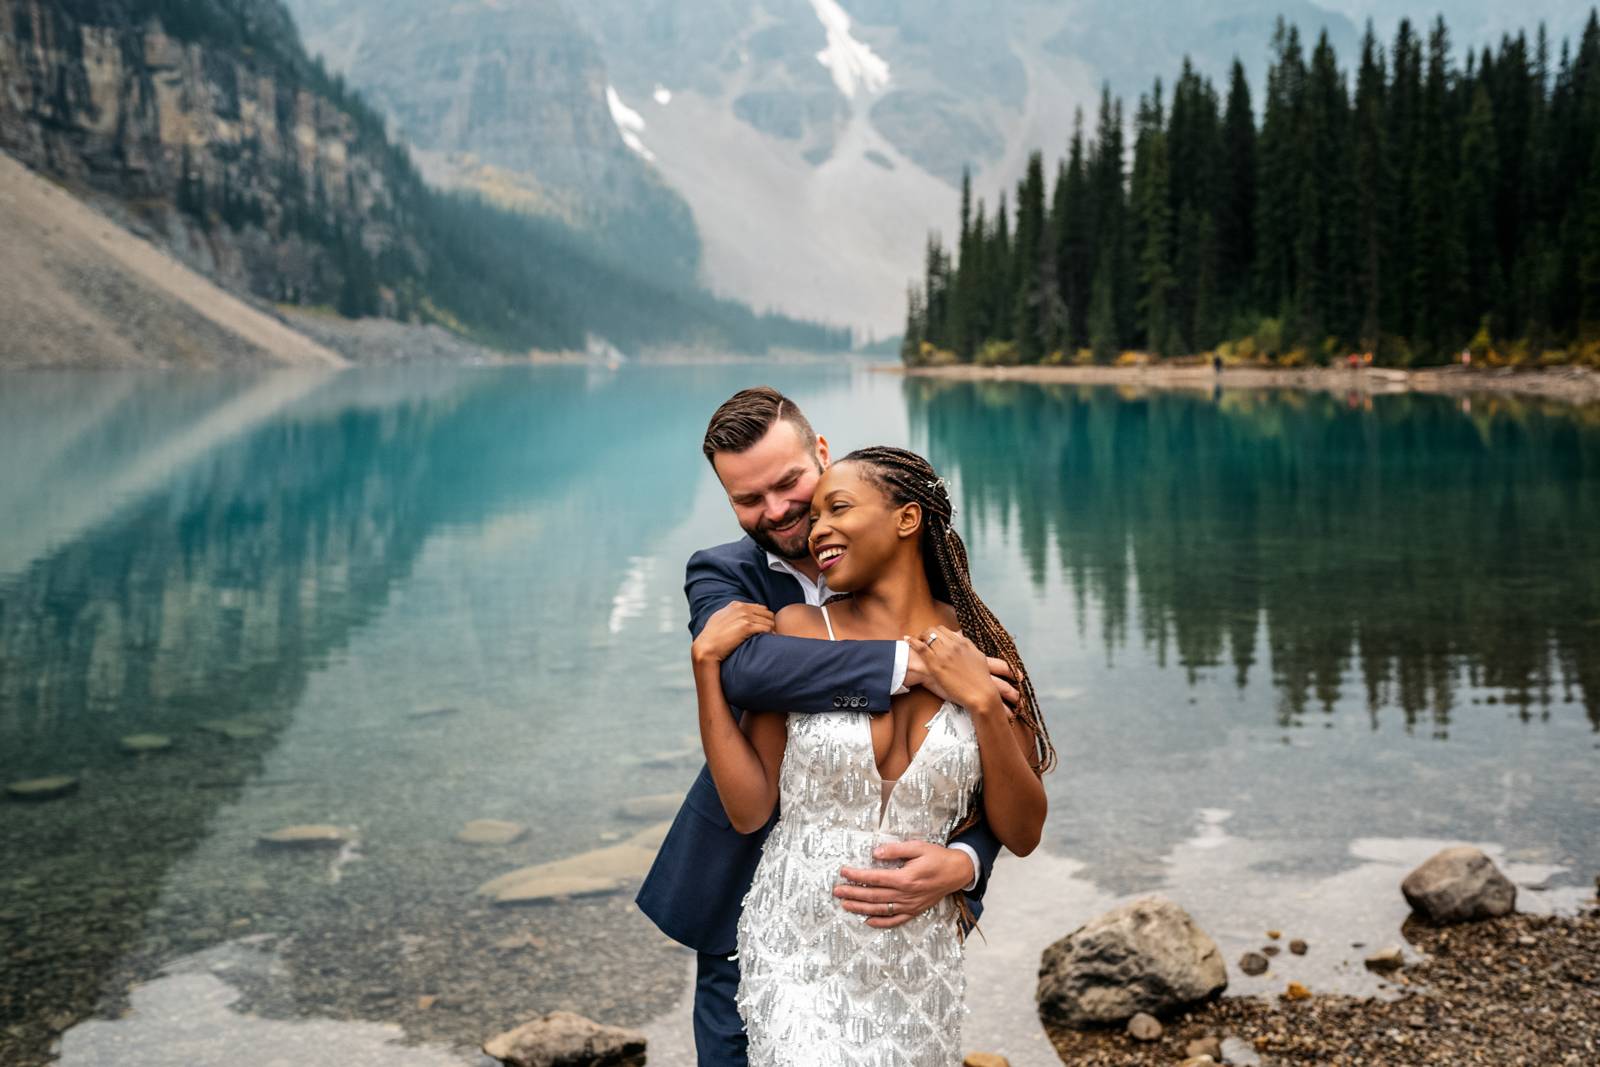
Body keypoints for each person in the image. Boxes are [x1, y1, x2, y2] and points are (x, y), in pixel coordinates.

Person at [636, 389, 1020, 1066]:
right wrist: (910, 663)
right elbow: (750, 672)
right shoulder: (724, 573)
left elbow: (983, 752)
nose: (778, 511)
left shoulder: (921, 571)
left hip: (894, 914)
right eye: (747, 498)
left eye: (788, 483)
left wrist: (966, 861)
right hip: (746, 896)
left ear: (821, 452)